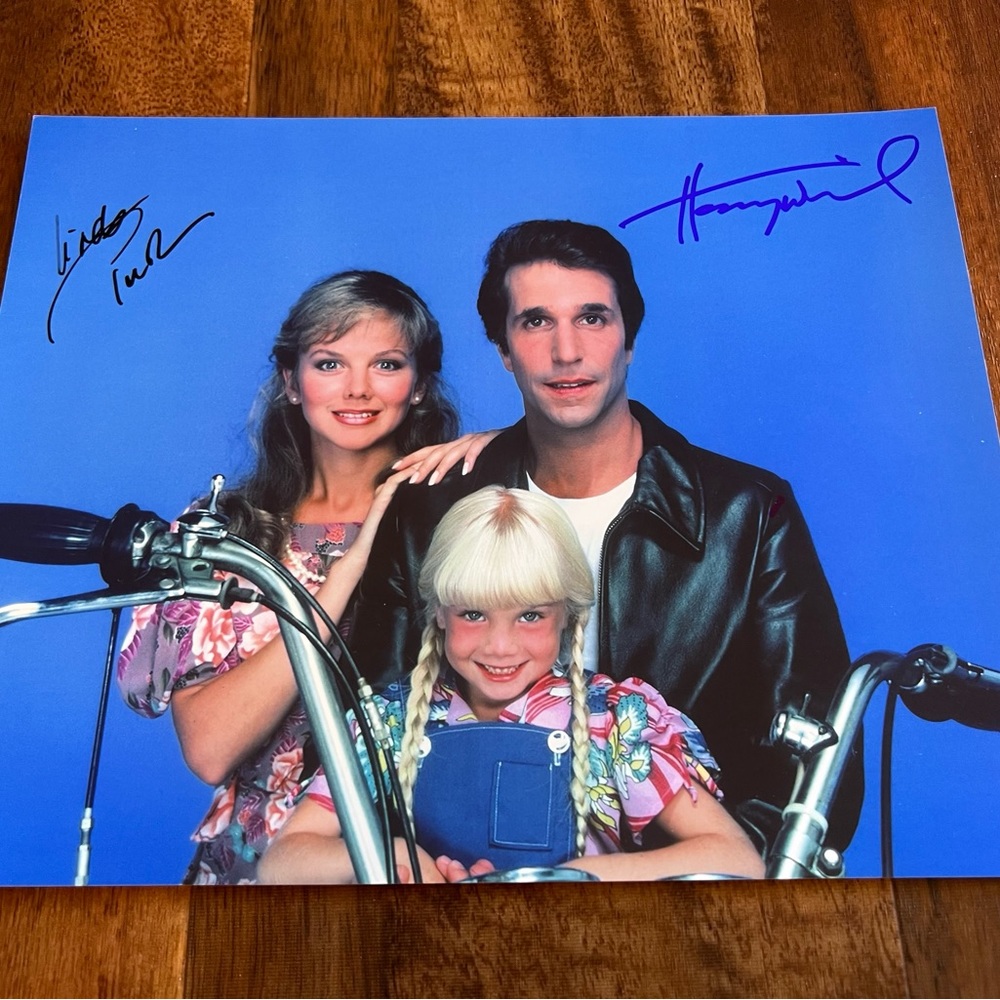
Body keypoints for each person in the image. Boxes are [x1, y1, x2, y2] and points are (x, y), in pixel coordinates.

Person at [349, 221, 862, 852]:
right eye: (536, 322)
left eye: (592, 318)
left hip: (681, 895)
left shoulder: (749, 514)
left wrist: (696, 878)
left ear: (629, 340)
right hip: (464, 881)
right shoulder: (433, 509)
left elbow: (817, 766)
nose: (567, 351)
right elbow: (377, 729)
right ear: (504, 349)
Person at [116, 269, 490, 884]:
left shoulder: (459, 519)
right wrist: (334, 586)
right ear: (292, 381)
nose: (358, 390)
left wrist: (509, 443)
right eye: (330, 364)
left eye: (388, 365)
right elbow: (210, 749)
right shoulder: (226, 533)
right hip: (261, 866)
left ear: (420, 385)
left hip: (426, 857)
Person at [259, 487, 765, 883]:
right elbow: (281, 862)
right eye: (474, 614)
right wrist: (390, 854)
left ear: (567, 614)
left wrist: (567, 879)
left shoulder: (616, 719)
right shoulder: (387, 721)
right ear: (438, 610)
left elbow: (736, 858)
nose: (500, 648)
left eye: (529, 616)